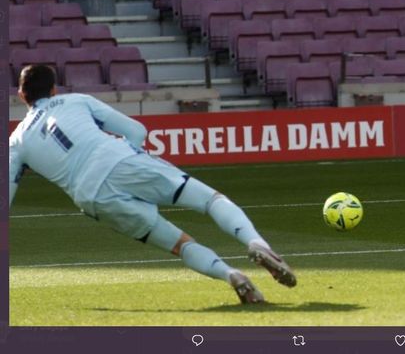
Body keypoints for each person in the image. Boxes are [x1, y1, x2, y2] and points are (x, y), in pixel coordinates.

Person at [9, 64, 296, 304]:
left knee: (179, 244)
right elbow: (136, 130)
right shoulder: (77, 100)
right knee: (210, 200)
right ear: (54, 89)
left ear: (21, 94)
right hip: (120, 160)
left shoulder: (17, 141)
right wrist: (133, 154)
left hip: (91, 196)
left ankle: (232, 276)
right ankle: (256, 243)